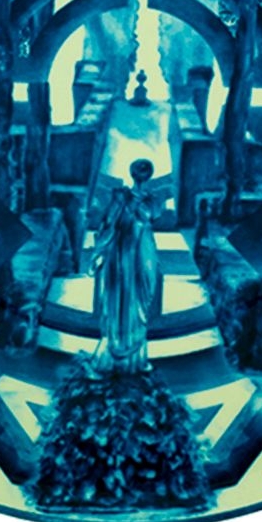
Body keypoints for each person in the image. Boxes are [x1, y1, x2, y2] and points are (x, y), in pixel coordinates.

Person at [92, 158, 161, 373]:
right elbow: (108, 223)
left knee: (142, 294)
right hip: (121, 251)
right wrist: (98, 252)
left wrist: (134, 204)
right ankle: (115, 345)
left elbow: (150, 215)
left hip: (141, 250)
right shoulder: (120, 196)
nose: (142, 175)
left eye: (145, 171)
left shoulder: (152, 200)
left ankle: (134, 351)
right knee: (117, 295)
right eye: (139, 171)